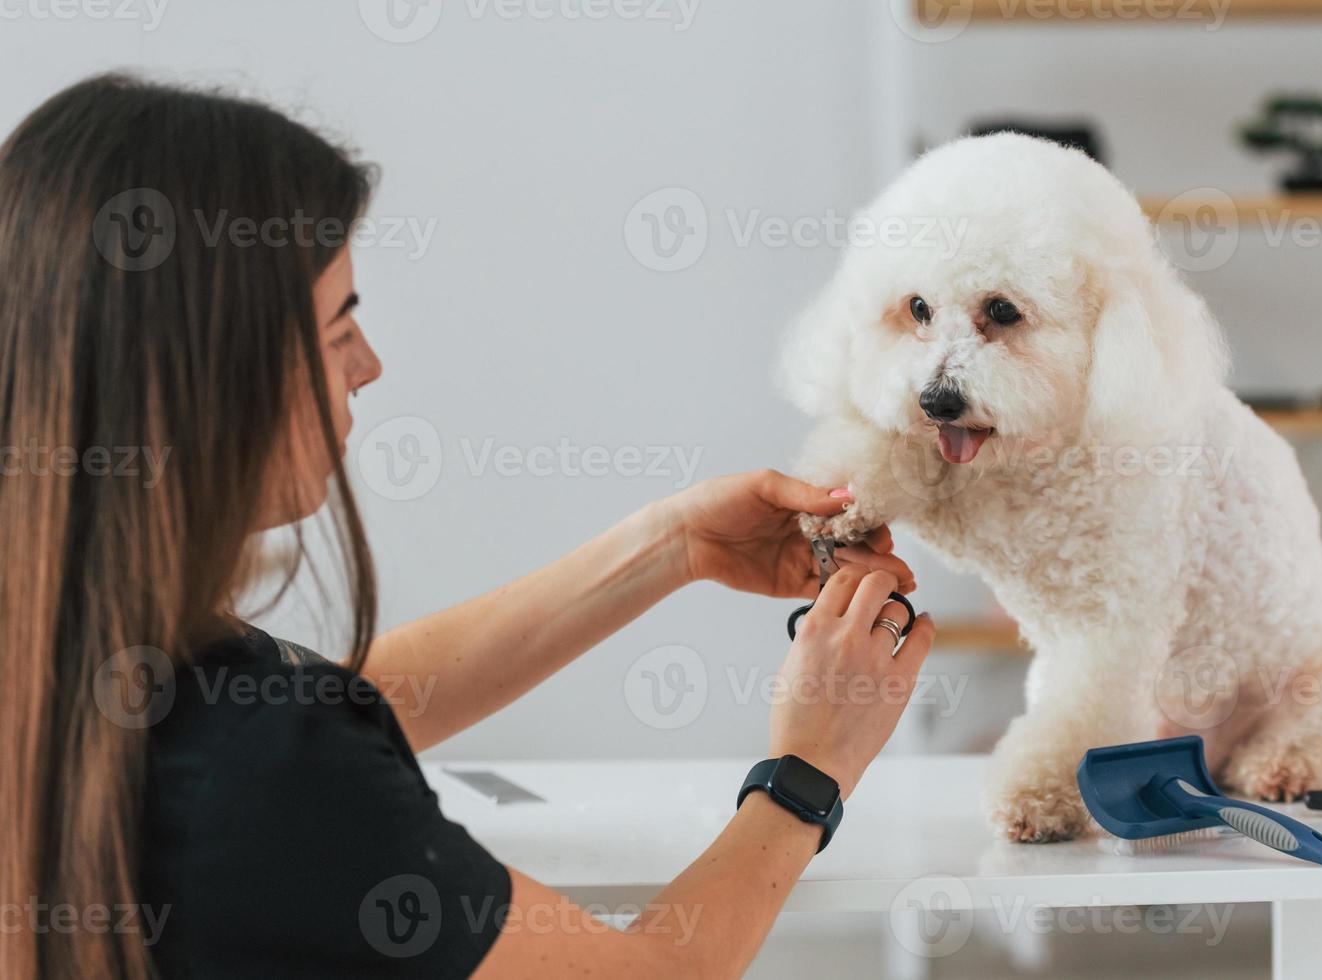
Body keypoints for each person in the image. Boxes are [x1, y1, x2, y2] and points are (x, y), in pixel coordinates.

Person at [0, 74, 936, 980]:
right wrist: (811, 768)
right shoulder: (260, 782)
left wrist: (671, 548)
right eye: (337, 333)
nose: (367, 367)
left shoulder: (82, 655)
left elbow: (333, 708)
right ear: (209, 385)